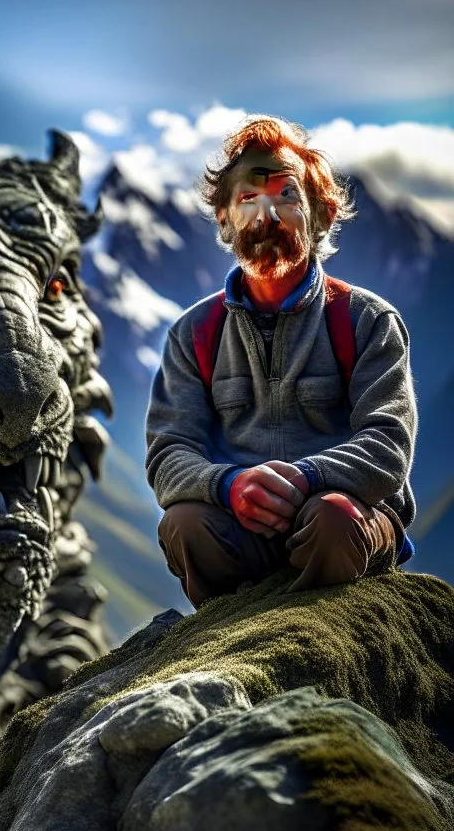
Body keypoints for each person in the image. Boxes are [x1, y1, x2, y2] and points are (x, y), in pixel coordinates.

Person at [145, 115, 417, 609]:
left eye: (286, 196)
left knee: (333, 519)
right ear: (224, 220)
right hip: (240, 525)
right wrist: (227, 486)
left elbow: (388, 445)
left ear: (321, 214)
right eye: (247, 200)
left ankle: (321, 633)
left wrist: (308, 477)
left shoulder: (366, 321)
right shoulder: (194, 334)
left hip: (340, 519)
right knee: (184, 524)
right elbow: (169, 453)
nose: (266, 214)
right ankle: (227, 633)